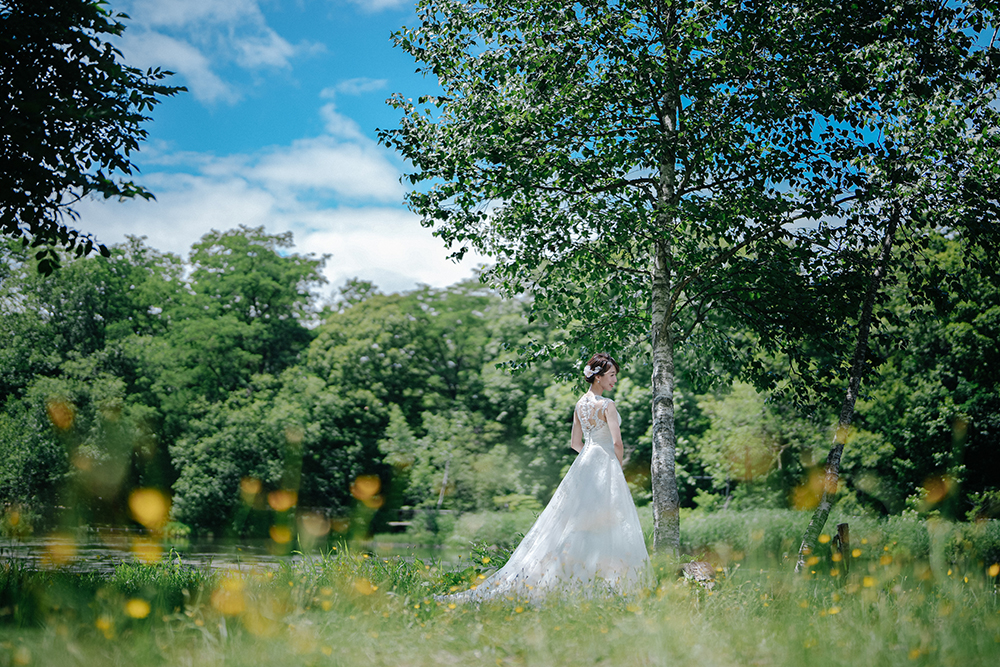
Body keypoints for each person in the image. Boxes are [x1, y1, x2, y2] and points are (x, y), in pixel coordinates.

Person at [444, 352, 649, 602]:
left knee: (573, 522)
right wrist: (614, 466)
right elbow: (618, 443)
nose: (615, 380)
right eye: (612, 375)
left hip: (584, 465)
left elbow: (575, 443)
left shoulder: (579, 405)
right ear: (597, 378)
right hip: (604, 464)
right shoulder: (607, 405)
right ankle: (605, 584)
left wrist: (590, 455)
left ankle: (565, 578)